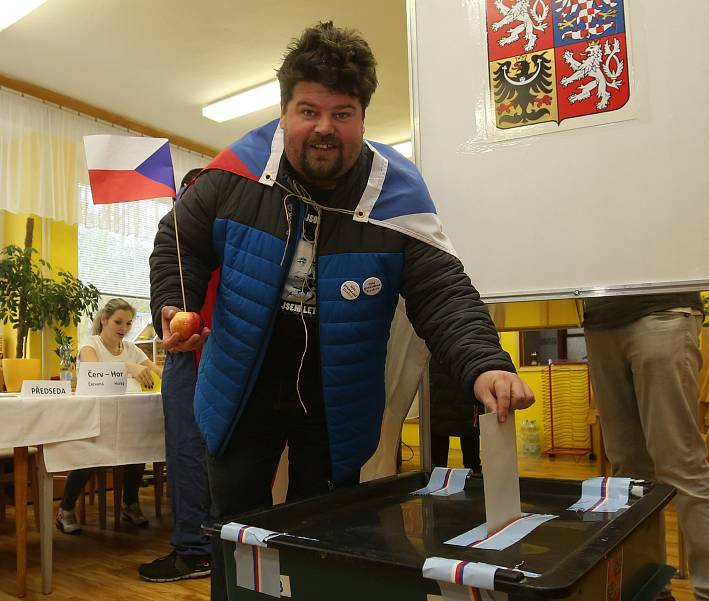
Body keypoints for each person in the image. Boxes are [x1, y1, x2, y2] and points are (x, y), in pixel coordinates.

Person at [150, 22, 533, 599]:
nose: (324, 128)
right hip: (239, 391)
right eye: (308, 110)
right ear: (284, 112)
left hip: (337, 399)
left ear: (362, 118)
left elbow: (443, 292)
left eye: (343, 113)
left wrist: (486, 363)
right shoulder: (235, 173)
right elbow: (179, 241)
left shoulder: (397, 193)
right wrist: (173, 304)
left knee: (326, 536)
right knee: (237, 536)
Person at [583, 293, 709, 601]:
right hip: (600, 317)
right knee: (629, 476)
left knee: (681, 465)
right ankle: (652, 588)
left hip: (663, 307)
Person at [138, 168, 213, 582]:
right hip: (219, 342)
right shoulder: (237, 212)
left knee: (187, 448)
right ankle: (215, 544)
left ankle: (195, 550)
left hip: (195, 349)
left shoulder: (190, 223)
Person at [55, 298, 163, 534]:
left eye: (128, 323)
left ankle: (130, 504)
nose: (123, 328)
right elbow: (93, 370)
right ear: (104, 319)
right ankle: (65, 508)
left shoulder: (131, 349)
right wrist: (128, 367)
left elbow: (158, 371)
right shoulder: (90, 344)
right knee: (88, 455)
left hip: (124, 417)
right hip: (92, 418)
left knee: (138, 449)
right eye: (118, 322)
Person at [429, 358, 482, 473]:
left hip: (439, 395)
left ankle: (436, 480)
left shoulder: (435, 345)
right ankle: (474, 477)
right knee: (470, 447)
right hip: (465, 392)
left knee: (438, 459)